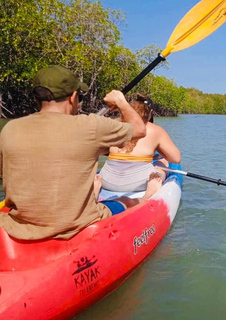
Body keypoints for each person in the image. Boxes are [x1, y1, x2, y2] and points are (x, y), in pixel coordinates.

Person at [0, 65, 161, 241]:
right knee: (125, 201)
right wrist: (121, 101)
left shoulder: (9, 129)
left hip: (18, 224)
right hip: (76, 223)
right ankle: (147, 197)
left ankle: (94, 193)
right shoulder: (91, 126)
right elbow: (139, 129)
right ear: (73, 97)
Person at [99, 93, 181, 193]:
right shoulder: (155, 130)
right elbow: (176, 159)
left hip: (106, 181)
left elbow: (101, 150)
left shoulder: (114, 124)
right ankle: (153, 188)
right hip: (139, 183)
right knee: (162, 163)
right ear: (150, 113)